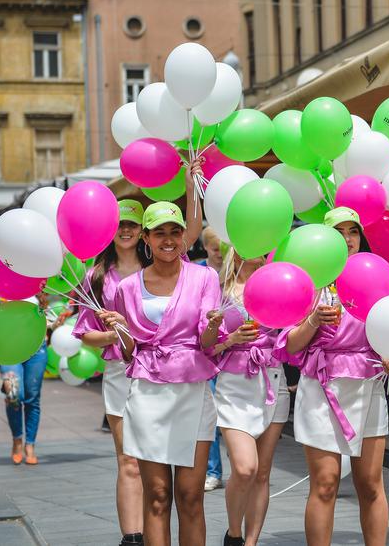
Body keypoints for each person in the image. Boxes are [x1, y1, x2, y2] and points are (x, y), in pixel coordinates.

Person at [99, 200, 221, 546]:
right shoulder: (126, 288)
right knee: (156, 494)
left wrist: (213, 326)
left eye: (175, 231)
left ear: (183, 236)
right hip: (148, 395)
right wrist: (121, 330)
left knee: (191, 496)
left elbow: (209, 344)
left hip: (193, 392)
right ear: (147, 239)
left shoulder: (205, 277)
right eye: (159, 233)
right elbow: (128, 352)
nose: (168, 239)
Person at [280, 206, 389, 546]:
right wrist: (313, 320)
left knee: (370, 483)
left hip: (368, 383)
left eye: (353, 231)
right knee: (325, 483)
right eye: (339, 232)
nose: (347, 238)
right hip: (322, 387)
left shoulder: (378, 276)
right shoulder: (307, 284)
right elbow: (289, 348)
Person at [73, 199, 150, 546]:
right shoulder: (97, 275)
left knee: (155, 462)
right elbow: (85, 334)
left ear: (142, 230)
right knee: (128, 460)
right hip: (120, 372)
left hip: (160, 372)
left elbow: (190, 233)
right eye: (120, 224)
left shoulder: (163, 266)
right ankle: (131, 537)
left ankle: (155, 532)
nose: (126, 230)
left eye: (133, 224)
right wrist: (116, 333)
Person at [213, 249, 290, 546]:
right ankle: (233, 534)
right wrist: (231, 339)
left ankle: (251, 542)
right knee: (245, 468)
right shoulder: (220, 289)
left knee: (262, 472)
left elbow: (290, 331)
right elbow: (206, 341)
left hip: (272, 380)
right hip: (234, 385)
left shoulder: (278, 283)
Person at [0, 291, 54, 465]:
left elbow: (46, 323)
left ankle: (30, 444)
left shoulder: (37, 290)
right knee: (13, 394)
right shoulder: (1, 290)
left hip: (36, 349)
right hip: (9, 349)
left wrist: (54, 324)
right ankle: (17, 440)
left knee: (32, 398)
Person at [198, 225, 226, 492]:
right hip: (207, 355)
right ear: (206, 247)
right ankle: (213, 470)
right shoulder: (199, 272)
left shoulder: (234, 270)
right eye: (215, 248)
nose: (220, 253)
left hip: (231, 355)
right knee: (210, 416)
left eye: (223, 248)